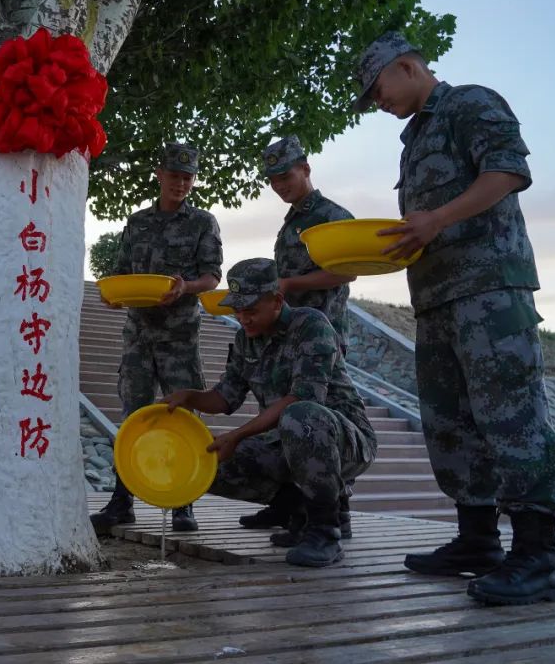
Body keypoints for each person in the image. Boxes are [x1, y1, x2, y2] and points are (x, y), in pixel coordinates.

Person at [353, 31, 555, 604]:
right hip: (437, 298)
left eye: (376, 89)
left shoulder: (471, 102)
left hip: (490, 292)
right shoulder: (413, 140)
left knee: (512, 416)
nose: (376, 102)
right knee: (451, 423)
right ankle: (477, 541)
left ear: (406, 66)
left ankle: (538, 558)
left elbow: (507, 173)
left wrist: (436, 219)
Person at [164, 258, 376, 567]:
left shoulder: (311, 325)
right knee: (205, 461)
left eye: (250, 310)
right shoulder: (245, 340)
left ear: (276, 301)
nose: (243, 318)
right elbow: (225, 398)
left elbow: (301, 398)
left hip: (344, 440)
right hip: (286, 441)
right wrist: (189, 396)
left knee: (300, 415)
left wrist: (237, 435)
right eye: (237, 310)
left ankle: (325, 531)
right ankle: (296, 510)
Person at [90, 142, 223, 534]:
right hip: (138, 336)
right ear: (159, 175)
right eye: (174, 176)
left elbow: (211, 277)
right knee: (132, 416)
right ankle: (121, 502)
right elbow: (122, 271)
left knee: (182, 417)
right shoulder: (137, 222)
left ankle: (184, 504)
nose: (180, 183)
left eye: (187, 178)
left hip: (179, 338)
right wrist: (113, 295)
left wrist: (186, 287)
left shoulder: (202, 223)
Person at [238, 136, 358, 543]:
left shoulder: (331, 215)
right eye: (272, 180)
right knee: (280, 414)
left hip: (321, 336)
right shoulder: (292, 221)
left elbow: (347, 270)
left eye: (285, 176)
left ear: (305, 169)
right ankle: (289, 504)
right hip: (286, 336)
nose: (279, 185)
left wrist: (289, 283)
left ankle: (334, 513)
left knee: (315, 421)